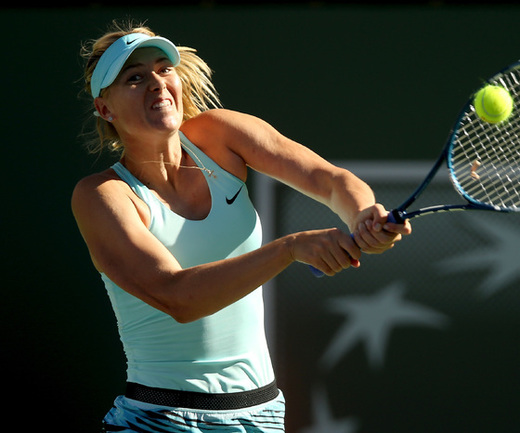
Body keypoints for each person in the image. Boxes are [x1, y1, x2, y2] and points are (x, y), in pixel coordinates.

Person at [72, 21, 411, 432]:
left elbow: (329, 180)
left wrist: (363, 215)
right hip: (160, 420)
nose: (157, 83)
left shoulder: (221, 134)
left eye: (164, 69)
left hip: (261, 415)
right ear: (105, 109)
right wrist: (288, 248)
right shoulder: (102, 196)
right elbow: (177, 296)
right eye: (135, 78)